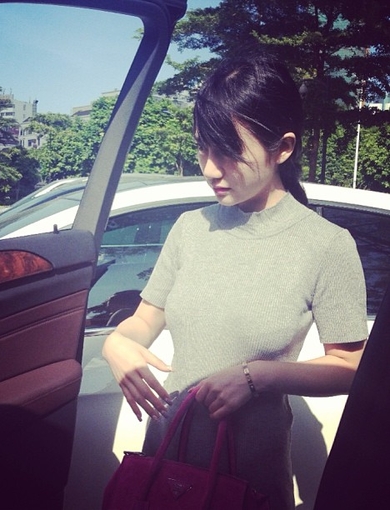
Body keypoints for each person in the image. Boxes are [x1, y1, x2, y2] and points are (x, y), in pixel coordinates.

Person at [102, 51, 368, 509]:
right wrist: (117, 343)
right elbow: (145, 320)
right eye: (203, 147)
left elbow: (350, 366)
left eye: (228, 152)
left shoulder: (326, 245)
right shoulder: (190, 229)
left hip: (249, 475)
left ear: (282, 148)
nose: (209, 168)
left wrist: (257, 376)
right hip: (167, 455)